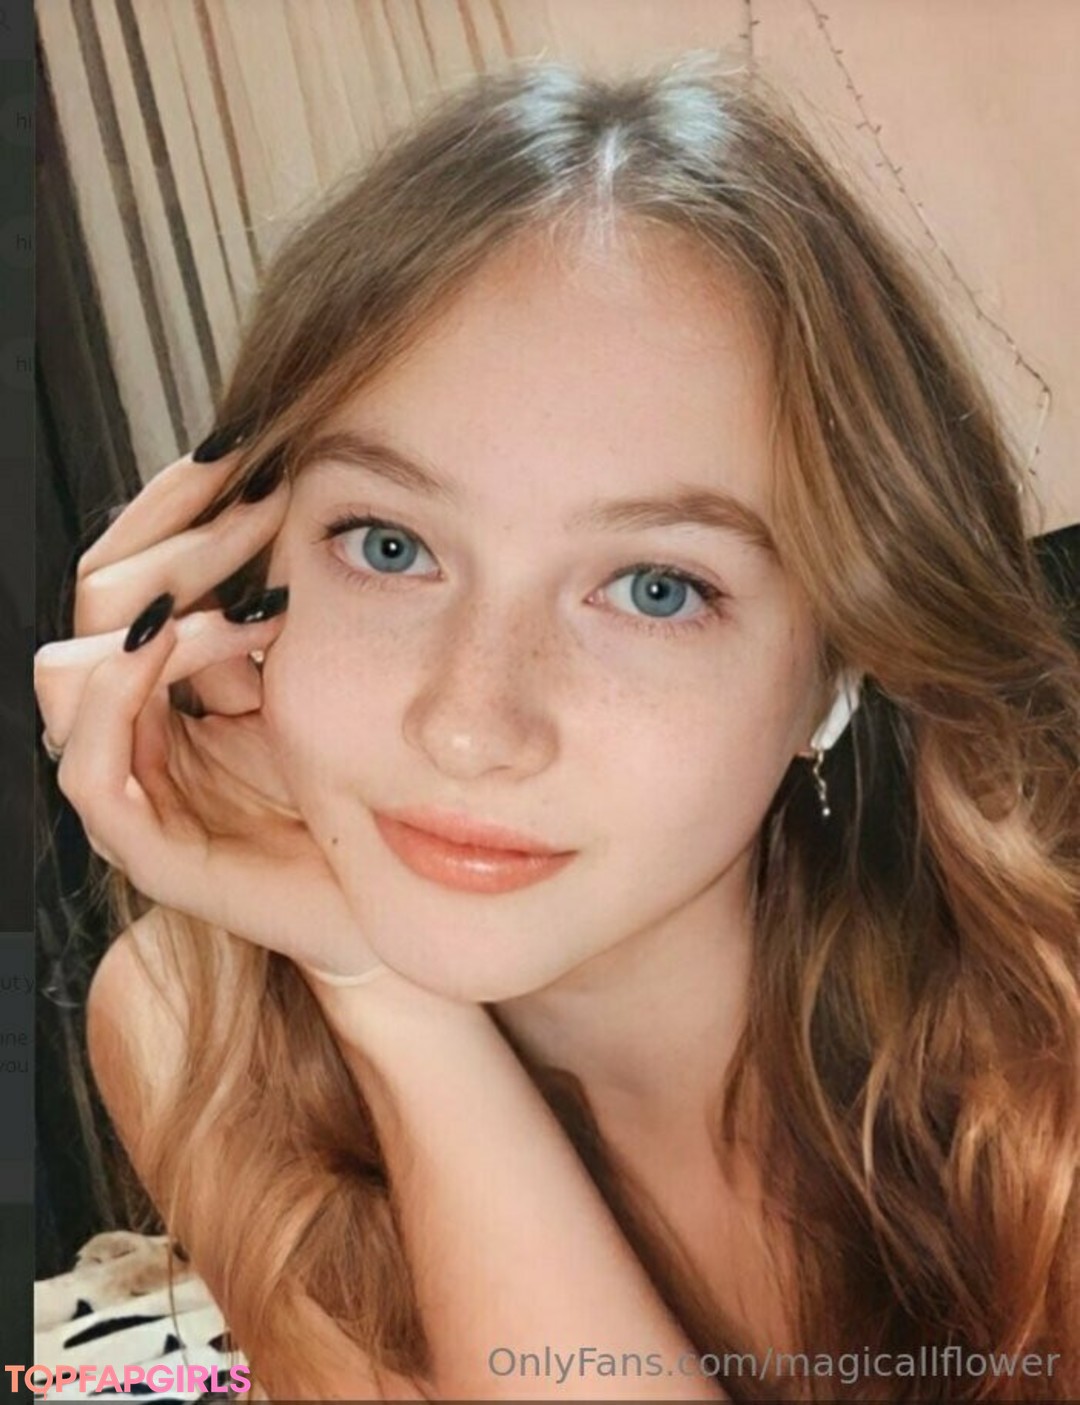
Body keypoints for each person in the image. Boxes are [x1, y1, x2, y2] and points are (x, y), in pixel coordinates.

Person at [34, 55, 1079, 1402]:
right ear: (240, 578)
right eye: (390, 543)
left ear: (840, 660)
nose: (471, 726)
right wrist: (385, 1001)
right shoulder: (194, 1023)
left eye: (655, 588)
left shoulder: (1040, 1021)